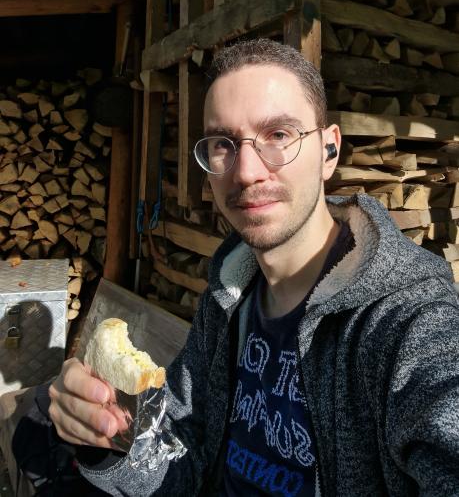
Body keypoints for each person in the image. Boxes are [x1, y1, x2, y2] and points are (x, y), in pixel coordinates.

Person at [48, 39, 459, 496]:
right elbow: (183, 450)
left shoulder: (411, 325)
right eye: (223, 143)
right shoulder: (228, 297)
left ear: (329, 151)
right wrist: (107, 441)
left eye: (279, 136)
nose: (245, 171)